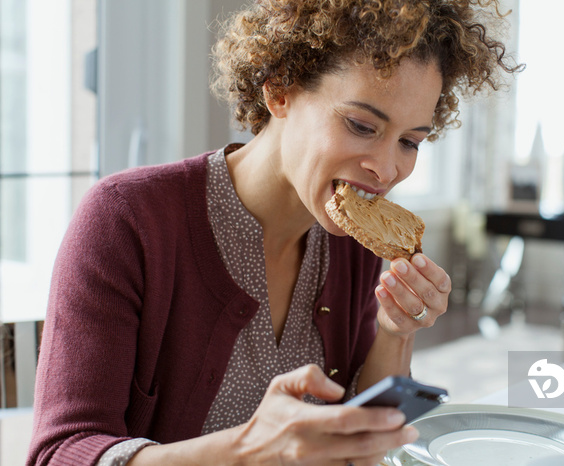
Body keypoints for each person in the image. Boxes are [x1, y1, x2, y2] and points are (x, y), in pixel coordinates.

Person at [27, 0, 519, 464]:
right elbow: (58, 453)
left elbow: (357, 449)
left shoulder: (355, 247)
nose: (387, 169)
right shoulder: (126, 220)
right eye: (361, 125)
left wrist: (394, 332)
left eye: (411, 142)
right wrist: (247, 449)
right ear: (280, 88)